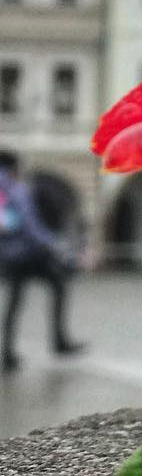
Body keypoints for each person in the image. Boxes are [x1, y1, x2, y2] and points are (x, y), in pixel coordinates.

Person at [0, 151, 85, 371]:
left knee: (14, 303)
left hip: (8, 254)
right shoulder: (17, 190)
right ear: (13, 168)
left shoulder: (3, 191)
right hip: (29, 254)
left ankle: (7, 353)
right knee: (59, 286)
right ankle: (59, 341)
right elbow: (30, 225)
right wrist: (51, 244)